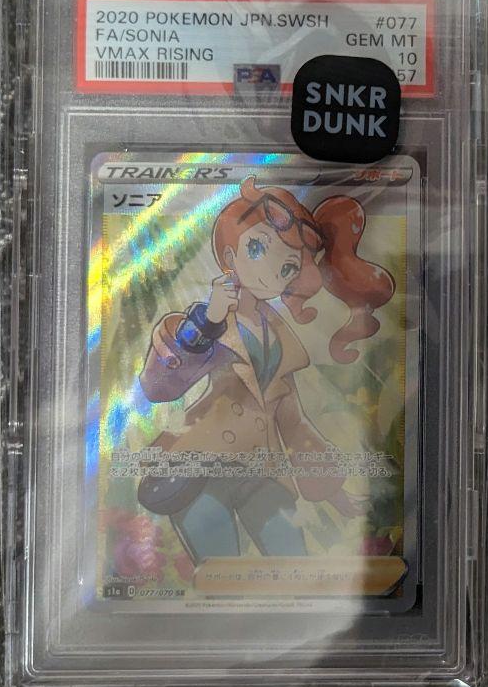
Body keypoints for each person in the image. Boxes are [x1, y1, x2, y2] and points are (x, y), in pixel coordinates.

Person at [136, 176, 395, 564]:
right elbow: (159, 387)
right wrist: (207, 322)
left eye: (288, 266)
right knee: (221, 574)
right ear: (229, 257)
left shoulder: (279, 340)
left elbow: (294, 424)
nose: (273, 271)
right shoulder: (200, 322)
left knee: (291, 561)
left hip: (263, 473)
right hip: (199, 470)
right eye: (257, 248)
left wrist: (335, 492)